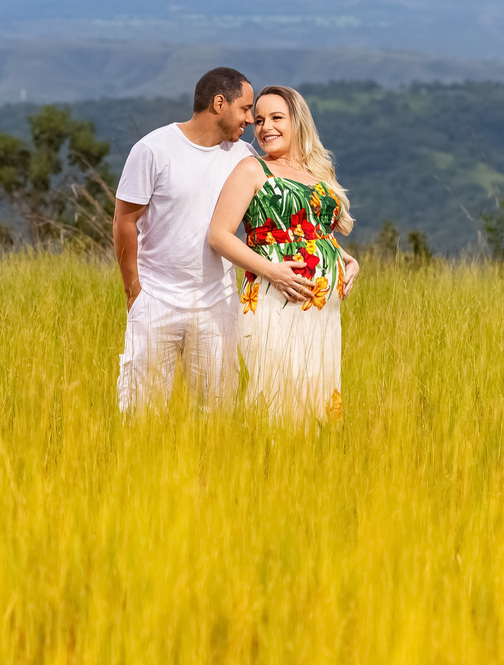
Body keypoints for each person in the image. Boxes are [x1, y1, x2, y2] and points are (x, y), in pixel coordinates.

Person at [207, 85, 360, 421]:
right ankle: (267, 468)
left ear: (298, 121)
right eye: (259, 120)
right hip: (273, 295)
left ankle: (309, 469)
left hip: (322, 309)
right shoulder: (252, 170)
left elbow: (312, 231)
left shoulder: (316, 175)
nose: (265, 127)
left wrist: (344, 257)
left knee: (316, 392)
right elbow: (219, 235)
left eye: (277, 117)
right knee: (277, 393)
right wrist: (272, 271)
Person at [113, 67, 257, 411]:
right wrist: (134, 289)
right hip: (156, 299)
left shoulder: (244, 158)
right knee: (140, 413)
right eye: (245, 108)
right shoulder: (153, 149)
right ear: (219, 103)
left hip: (218, 303)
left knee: (218, 415)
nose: (250, 120)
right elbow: (124, 221)